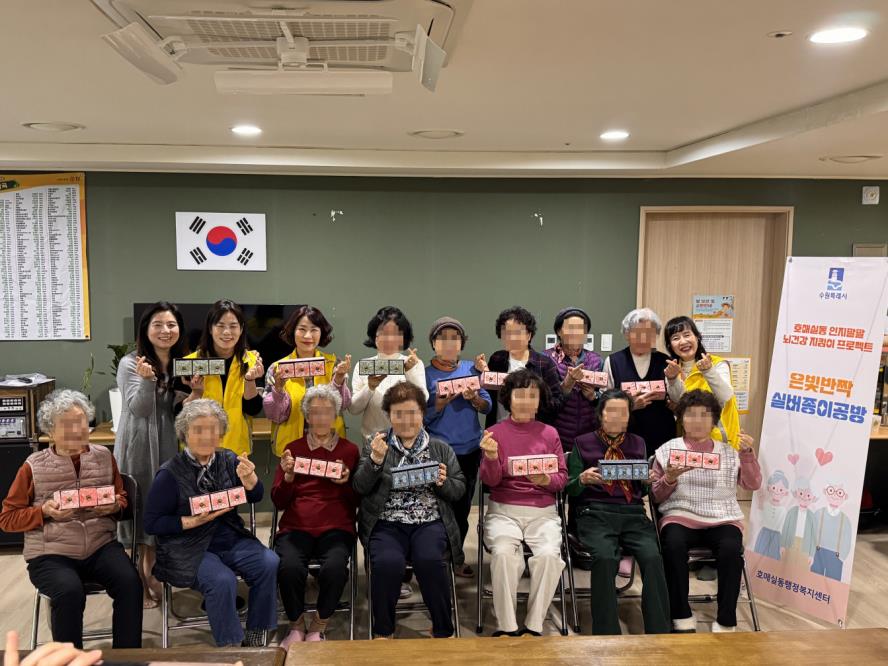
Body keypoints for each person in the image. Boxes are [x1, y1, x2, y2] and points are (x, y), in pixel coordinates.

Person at [0, 390, 142, 648]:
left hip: (100, 545)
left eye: (81, 423)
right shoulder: (33, 465)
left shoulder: (103, 456)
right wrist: (44, 512)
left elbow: (123, 501)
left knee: (130, 583)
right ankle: (70, 659)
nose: (76, 430)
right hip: (50, 553)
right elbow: (8, 519)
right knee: (69, 591)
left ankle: (127, 658)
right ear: (50, 431)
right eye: (66, 425)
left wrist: (111, 507)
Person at [144, 399, 278, 647]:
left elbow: (256, 495)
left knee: (269, 562)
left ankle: (257, 629)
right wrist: (189, 521)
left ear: (221, 433)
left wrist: (250, 481)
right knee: (221, 580)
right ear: (185, 433)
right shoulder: (169, 473)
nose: (206, 436)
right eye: (198, 430)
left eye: (212, 430)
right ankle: (230, 645)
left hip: (230, 538)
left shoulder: (229, 460)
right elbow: (152, 523)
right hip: (188, 547)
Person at [352, 382, 465, 639]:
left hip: (429, 521)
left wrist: (443, 482)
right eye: (398, 414)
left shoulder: (440, 448)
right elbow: (359, 486)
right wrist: (375, 461)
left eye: (412, 412)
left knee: (430, 561)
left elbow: (458, 490)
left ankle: (443, 629)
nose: (406, 420)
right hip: (387, 522)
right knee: (387, 564)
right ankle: (383, 630)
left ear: (423, 414)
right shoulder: (376, 443)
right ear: (389, 416)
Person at [651, 390, 761, 633]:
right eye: (691, 415)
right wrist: (669, 478)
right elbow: (657, 497)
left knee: (732, 549)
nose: (698, 421)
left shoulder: (730, 452)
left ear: (714, 420)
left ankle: (726, 619)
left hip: (722, 518)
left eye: (705, 415)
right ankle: (680, 614)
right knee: (673, 545)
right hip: (680, 515)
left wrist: (747, 455)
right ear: (681, 419)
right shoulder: (668, 450)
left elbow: (752, 485)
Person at [567, 390, 670, 635]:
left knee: (653, 557)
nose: (616, 417)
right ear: (600, 414)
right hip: (593, 513)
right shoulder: (582, 443)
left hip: (632, 513)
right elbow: (568, 487)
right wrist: (581, 479)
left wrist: (647, 480)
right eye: (610, 411)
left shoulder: (638, 443)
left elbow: (642, 491)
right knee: (605, 557)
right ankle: (606, 631)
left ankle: (659, 629)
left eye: (622, 412)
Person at [479, 369, 567, 637]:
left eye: (533, 395)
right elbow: (490, 481)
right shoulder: (494, 432)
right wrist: (492, 458)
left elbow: (561, 479)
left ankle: (534, 623)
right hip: (504, 511)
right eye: (520, 394)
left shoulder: (550, 433)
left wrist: (544, 480)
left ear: (540, 400)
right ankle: (506, 626)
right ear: (508, 398)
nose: (526, 400)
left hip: (543, 512)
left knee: (549, 557)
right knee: (505, 555)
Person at [272, 385, 360, 646]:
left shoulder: (350, 450)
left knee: (334, 569)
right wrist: (288, 477)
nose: (321, 418)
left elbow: (358, 499)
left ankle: (319, 625)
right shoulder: (292, 447)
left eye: (327, 412)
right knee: (287, 568)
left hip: (337, 525)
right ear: (307, 417)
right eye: (315, 413)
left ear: (336, 415)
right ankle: (296, 625)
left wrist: (346, 482)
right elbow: (278, 500)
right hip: (296, 524)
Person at [113, 300, 188, 607]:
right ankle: (138, 583)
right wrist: (146, 380)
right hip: (138, 448)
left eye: (171, 324)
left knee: (161, 512)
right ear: (145, 329)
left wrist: (194, 391)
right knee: (138, 513)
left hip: (169, 447)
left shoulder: (182, 363)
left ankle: (153, 571)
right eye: (157, 324)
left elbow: (180, 410)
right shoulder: (131, 363)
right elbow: (140, 408)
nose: (165, 330)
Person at [424, 316, 492, 577]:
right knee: (438, 509)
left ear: (462, 344)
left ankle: (456, 557)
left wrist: (474, 398)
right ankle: (434, 559)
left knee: (462, 508)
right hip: (437, 451)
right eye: (443, 338)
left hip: (469, 450)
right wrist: (438, 404)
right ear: (433, 343)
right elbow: (421, 417)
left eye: (455, 338)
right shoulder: (424, 373)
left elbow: (488, 406)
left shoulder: (470, 369)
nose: (449, 343)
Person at [264, 305, 351, 457]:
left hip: (329, 445)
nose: (307, 336)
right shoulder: (277, 369)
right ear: (293, 331)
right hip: (291, 447)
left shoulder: (333, 364)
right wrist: (278, 389)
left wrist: (338, 380)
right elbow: (275, 415)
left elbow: (342, 406)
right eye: (302, 329)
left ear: (321, 332)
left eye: (314, 330)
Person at [183, 299, 264, 455]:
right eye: (220, 326)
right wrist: (196, 393)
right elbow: (181, 415)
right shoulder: (190, 364)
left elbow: (253, 410)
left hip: (237, 450)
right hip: (199, 449)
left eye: (233, 326)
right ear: (210, 329)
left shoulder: (252, 362)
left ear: (241, 330)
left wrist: (250, 380)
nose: (227, 332)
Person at [478, 306, 566, 428]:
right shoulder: (496, 359)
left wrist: (532, 399)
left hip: (533, 433)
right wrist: (485, 375)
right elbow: (490, 397)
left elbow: (558, 402)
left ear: (529, 335)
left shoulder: (544, 363)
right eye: (508, 333)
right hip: (499, 429)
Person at [604, 308, 676, 457]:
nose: (643, 338)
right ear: (627, 334)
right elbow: (605, 403)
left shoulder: (665, 361)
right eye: (637, 333)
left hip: (661, 433)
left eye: (649, 333)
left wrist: (674, 382)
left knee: (657, 476)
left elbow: (675, 397)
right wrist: (630, 406)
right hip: (625, 435)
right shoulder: (613, 361)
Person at [349, 306, 427, 441]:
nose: (389, 339)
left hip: (409, 441)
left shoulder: (413, 363)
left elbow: (423, 400)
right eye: (383, 333)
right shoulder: (365, 366)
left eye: (395, 334)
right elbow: (354, 409)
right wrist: (370, 387)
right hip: (374, 441)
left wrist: (409, 372)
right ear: (374, 336)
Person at [663, 316, 740, 449]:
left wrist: (708, 371)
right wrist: (672, 379)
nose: (683, 341)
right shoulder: (672, 369)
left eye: (687, 335)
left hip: (721, 442)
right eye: (676, 338)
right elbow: (680, 403)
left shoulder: (717, 364)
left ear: (697, 337)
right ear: (670, 346)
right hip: (689, 442)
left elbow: (725, 396)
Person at [543, 307, 603, 451]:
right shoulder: (546, 359)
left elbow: (606, 398)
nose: (576, 333)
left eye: (581, 328)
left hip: (590, 435)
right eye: (571, 328)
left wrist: (593, 396)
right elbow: (544, 403)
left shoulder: (596, 360)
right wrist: (566, 385)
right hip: (557, 434)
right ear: (559, 331)